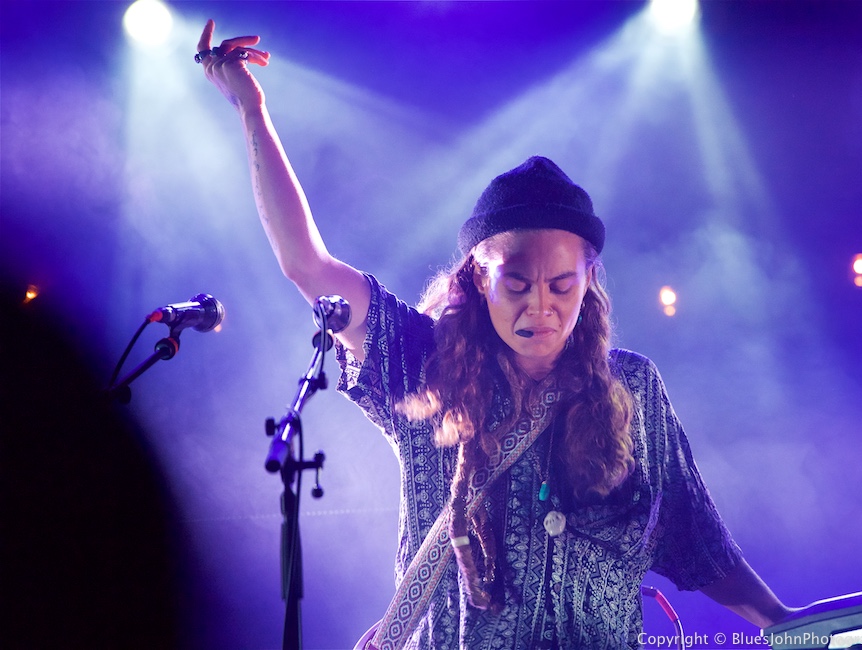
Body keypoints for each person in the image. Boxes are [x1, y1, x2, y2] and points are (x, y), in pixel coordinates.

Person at [196, 20, 795, 649]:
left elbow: (698, 538)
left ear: (590, 278)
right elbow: (308, 266)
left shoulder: (634, 390)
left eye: (562, 286)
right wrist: (252, 110)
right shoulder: (426, 364)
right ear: (478, 278)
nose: (541, 307)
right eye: (516, 283)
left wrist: (793, 629)